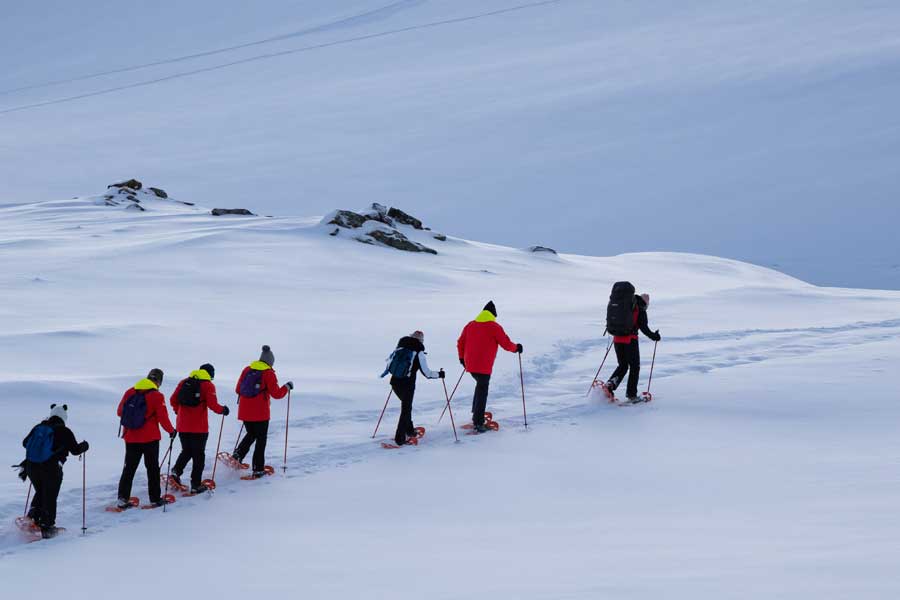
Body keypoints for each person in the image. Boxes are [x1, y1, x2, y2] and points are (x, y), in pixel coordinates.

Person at [20, 404, 89, 538]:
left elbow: (25, 443)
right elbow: (75, 450)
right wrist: (85, 446)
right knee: (50, 495)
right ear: (64, 417)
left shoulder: (38, 427)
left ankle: (32, 517)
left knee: (40, 491)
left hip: (32, 467)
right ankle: (47, 526)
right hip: (51, 468)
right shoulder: (64, 431)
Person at [456, 301, 522, 432]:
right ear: (493, 315)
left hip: (470, 364)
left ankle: (476, 414)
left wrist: (462, 358)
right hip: (484, 366)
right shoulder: (494, 327)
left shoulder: (470, 325)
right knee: (482, 389)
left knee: (480, 385)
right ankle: (478, 422)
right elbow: (506, 343)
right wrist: (517, 348)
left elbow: (460, 342)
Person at [116, 368, 176, 508]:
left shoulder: (130, 391)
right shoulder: (157, 396)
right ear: (159, 381)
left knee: (129, 469)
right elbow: (163, 418)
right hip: (150, 438)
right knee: (152, 469)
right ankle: (155, 499)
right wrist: (171, 431)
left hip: (131, 437)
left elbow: (120, 412)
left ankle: (122, 499)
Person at [232, 345, 292, 478]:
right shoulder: (268, 373)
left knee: (251, 433)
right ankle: (258, 469)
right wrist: (287, 387)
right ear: (270, 362)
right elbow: (276, 394)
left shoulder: (247, 369)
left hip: (244, 411)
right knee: (261, 440)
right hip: (260, 413)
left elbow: (238, 389)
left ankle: (238, 455)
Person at [169, 363, 229, 494]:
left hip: (182, 425)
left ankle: (175, 472)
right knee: (198, 455)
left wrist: (178, 412)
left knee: (186, 451)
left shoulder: (184, 382)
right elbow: (213, 405)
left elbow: (173, 400)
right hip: (199, 427)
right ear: (210, 374)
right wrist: (223, 410)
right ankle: (196, 484)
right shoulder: (208, 385)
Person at [383, 331, 444, 446]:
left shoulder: (400, 346)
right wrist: (439, 375)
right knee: (405, 410)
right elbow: (427, 373)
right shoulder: (419, 352)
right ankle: (400, 439)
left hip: (394, 382)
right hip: (407, 385)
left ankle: (409, 430)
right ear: (421, 341)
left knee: (407, 408)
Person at [606, 293, 661, 401]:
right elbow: (644, 328)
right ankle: (631, 395)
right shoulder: (640, 308)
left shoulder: (626, 305)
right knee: (635, 367)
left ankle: (610, 385)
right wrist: (655, 336)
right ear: (646, 302)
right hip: (630, 340)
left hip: (617, 339)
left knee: (623, 365)